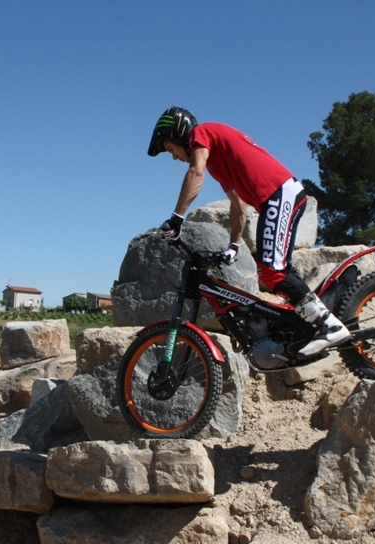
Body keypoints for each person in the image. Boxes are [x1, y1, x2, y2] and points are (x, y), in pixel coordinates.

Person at [147, 106, 351, 357]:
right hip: (275, 199)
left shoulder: (202, 132)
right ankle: (310, 320)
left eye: (170, 149)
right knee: (278, 269)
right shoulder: (217, 165)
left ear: (179, 134)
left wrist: (177, 218)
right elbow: (238, 207)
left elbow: (195, 172)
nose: (174, 157)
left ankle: (328, 326)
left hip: (279, 194)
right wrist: (232, 247)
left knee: (271, 271)